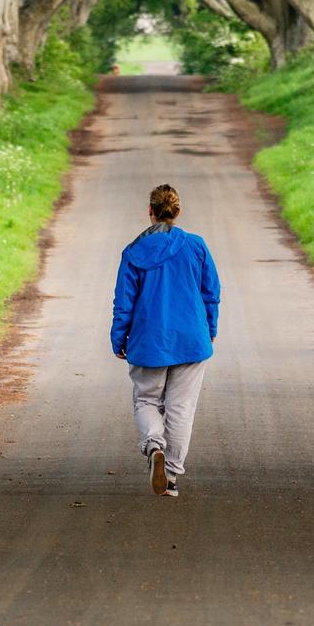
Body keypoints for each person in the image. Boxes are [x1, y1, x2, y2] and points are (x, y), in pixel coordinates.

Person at [110, 182, 221, 497]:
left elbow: (124, 302)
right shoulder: (196, 246)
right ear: (177, 211)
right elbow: (211, 293)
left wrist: (118, 338)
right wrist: (209, 329)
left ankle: (154, 444)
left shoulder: (133, 253)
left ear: (150, 212)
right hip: (191, 339)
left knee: (147, 400)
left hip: (148, 342)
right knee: (181, 407)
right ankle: (170, 476)